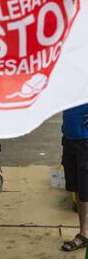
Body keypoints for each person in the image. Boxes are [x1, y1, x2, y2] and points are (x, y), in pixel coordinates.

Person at [61, 103, 88, 251]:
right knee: (76, 186)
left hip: (85, 140)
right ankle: (84, 230)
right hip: (70, 137)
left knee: (85, 189)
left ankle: (84, 233)